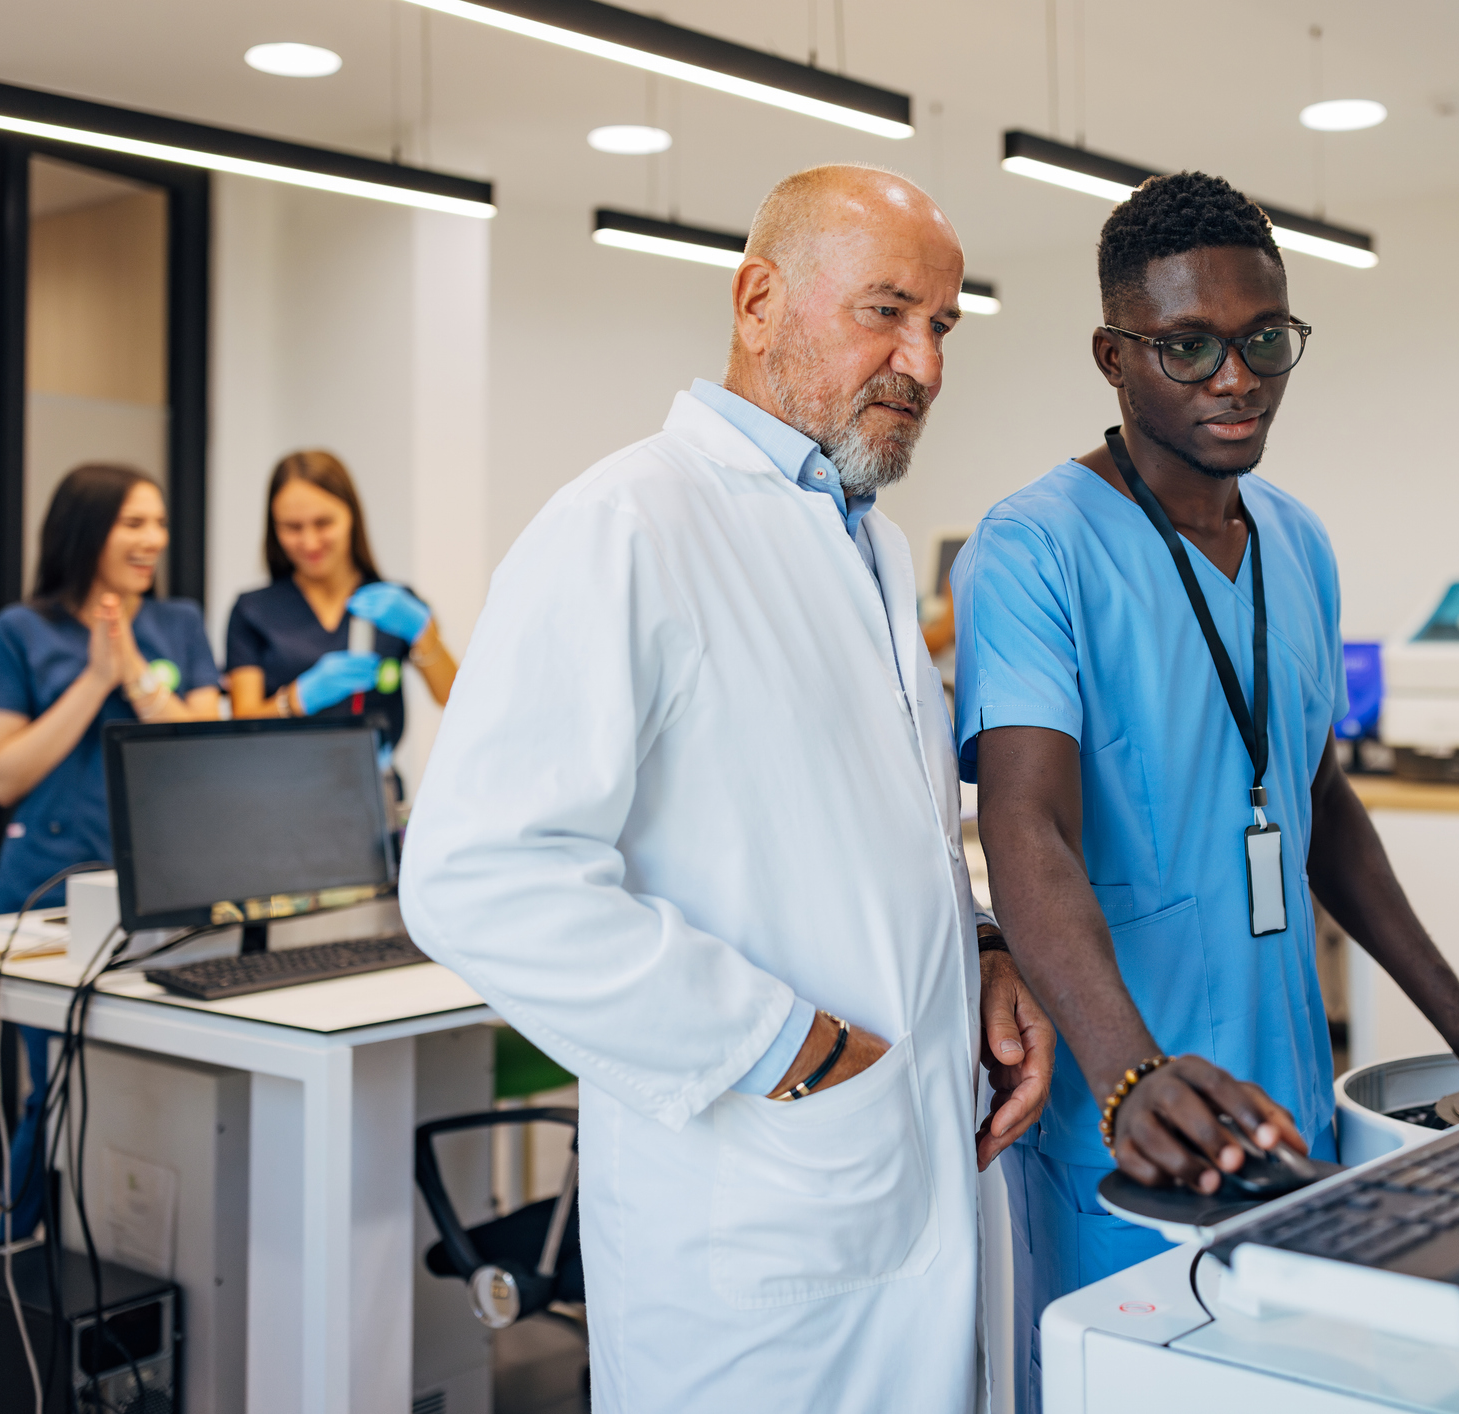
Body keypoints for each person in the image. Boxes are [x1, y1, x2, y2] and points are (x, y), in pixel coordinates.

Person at [402, 165, 1053, 1413]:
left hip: (903, 1177)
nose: (920, 362)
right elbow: (476, 874)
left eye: (941, 326)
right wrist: (770, 1042)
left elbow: (870, 829)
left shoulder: (870, 537)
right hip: (758, 1225)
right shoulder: (624, 526)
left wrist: (974, 945)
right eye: (884, 311)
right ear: (759, 299)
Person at [952, 173, 1459, 1409]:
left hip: (1288, 1101)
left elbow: (1317, 804)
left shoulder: (1297, 540)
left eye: (1262, 340)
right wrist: (1134, 1075)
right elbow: (1023, 822)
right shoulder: (1034, 548)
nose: (1233, 377)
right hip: (1131, 1116)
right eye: (1186, 345)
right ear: (1113, 355)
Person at [0, 462, 222, 1237]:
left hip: (162, 893)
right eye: (132, 523)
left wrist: (137, 675)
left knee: (151, 1088)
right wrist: (93, 681)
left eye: (158, 523)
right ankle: (20, 1254)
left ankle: (125, 1254)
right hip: (45, 895)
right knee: (59, 1086)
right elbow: (1, 773)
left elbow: (205, 753)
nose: (153, 541)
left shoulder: (176, 624)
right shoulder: (21, 631)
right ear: (88, 531)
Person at [225, 450, 458, 780]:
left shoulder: (395, 606)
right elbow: (241, 728)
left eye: (323, 523)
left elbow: (454, 696)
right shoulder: (252, 611)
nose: (309, 541)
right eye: (292, 527)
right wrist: (296, 700)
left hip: (375, 788)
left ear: (351, 516)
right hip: (282, 786)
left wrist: (423, 632)